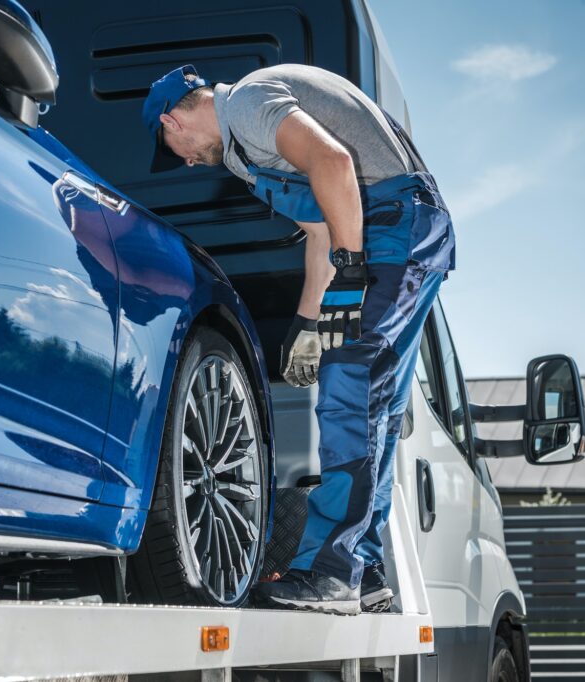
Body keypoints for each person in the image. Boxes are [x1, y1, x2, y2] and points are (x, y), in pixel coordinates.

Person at [141, 64, 456, 615]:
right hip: (394, 228)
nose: (185, 161)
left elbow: (334, 163)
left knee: (350, 386)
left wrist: (352, 273)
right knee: (374, 406)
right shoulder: (244, 149)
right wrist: (308, 325)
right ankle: (365, 571)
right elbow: (319, 227)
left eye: (175, 148)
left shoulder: (245, 104)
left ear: (174, 119)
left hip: (394, 226)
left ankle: (332, 572)